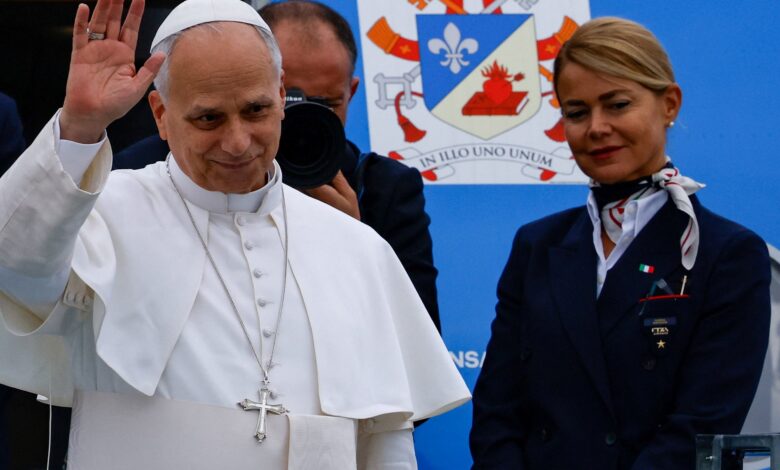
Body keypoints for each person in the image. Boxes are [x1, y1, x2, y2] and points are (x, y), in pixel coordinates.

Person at [0, 0, 470, 469]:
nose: (238, 142)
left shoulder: (357, 246)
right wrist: (80, 128)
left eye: (256, 110)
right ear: (161, 114)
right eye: (209, 118)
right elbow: (15, 269)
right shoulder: (99, 214)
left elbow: (386, 437)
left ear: (280, 95)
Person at [469, 17, 770, 469]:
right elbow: (497, 415)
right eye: (577, 112)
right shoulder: (536, 245)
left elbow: (701, 428)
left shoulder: (728, 254)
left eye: (618, 104)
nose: (596, 127)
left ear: (669, 104)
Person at [114, 0, 441, 332]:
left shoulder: (380, 187)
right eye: (210, 118)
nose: (238, 143)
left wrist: (354, 247)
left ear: (350, 92)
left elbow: (414, 339)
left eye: (326, 103)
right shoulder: (137, 177)